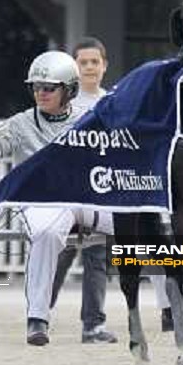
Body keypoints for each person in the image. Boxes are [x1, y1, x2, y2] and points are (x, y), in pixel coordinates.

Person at [0, 50, 114, 346]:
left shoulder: (91, 120)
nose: (40, 93)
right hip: (43, 202)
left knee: (144, 218)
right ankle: (38, 317)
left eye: (48, 88)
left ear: (69, 90)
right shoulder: (20, 123)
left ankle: (172, 306)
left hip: (85, 200)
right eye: (36, 87)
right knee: (46, 231)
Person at [49, 37, 118, 343]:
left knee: (96, 254)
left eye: (95, 62)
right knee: (61, 253)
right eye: (83, 62)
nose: (90, 67)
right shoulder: (65, 104)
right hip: (68, 188)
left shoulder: (113, 102)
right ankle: (40, 311)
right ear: (74, 68)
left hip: (100, 190)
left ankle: (93, 325)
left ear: (104, 66)